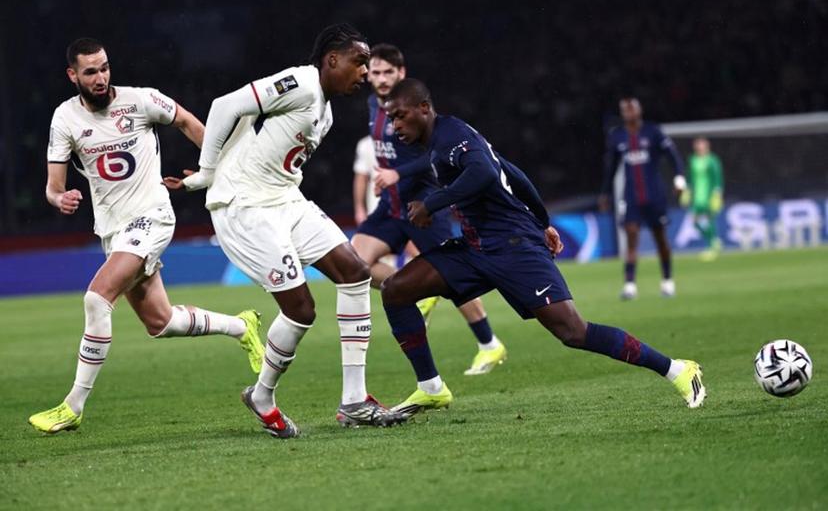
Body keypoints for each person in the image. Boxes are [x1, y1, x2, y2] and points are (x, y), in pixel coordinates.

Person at [379, 79, 705, 417]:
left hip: (513, 245)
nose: (395, 125)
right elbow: (511, 172)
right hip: (476, 247)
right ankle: (431, 388)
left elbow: (485, 173)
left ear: (424, 108)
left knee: (573, 332)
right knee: (396, 290)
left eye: (400, 116)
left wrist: (432, 203)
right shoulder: (441, 142)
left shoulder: (451, 136)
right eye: (391, 119)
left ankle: (677, 370)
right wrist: (543, 220)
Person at [165, 24, 405, 438]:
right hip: (246, 206)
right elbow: (226, 106)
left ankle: (354, 401)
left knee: (355, 272)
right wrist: (206, 172)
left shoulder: (326, 112)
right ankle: (262, 396)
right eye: (359, 62)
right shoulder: (302, 83)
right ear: (332, 59)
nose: (364, 72)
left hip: (285, 199)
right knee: (301, 310)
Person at [29, 38, 264, 434]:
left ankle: (73, 406)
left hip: (152, 217)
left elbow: (187, 121)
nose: (101, 77)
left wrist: (215, 168)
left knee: (96, 298)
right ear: (73, 75)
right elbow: (53, 186)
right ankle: (242, 327)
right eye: (90, 71)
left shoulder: (141, 100)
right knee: (161, 322)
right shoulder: (64, 118)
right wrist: (59, 198)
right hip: (114, 230)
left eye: (105, 68)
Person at [351, 44, 507, 376]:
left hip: (423, 204)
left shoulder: (413, 110)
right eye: (376, 72)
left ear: (401, 73)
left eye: (388, 72)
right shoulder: (372, 105)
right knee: (354, 263)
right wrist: (386, 177)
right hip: (391, 204)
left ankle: (489, 344)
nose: (381, 78)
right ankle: (417, 289)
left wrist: (397, 173)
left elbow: (434, 154)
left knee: (455, 280)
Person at [599, 97, 686, 300]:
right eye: (625, 109)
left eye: (632, 108)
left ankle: (667, 281)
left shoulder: (652, 132)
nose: (629, 112)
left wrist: (679, 179)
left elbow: (673, 157)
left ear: (639, 110)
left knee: (660, 239)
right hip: (631, 197)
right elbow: (611, 168)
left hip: (654, 195)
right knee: (631, 238)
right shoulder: (618, 136)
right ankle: (630, 285)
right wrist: (605, 193)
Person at [682, 137, 724, 261]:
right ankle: (714, 240)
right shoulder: (692, 160)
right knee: (696, 222)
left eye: (701, 144)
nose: (699, 147)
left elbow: (718, 178)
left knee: (709, 220)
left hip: (708, 196)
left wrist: (717, 194)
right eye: (697, 144)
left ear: (707, 146)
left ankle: (712, 246)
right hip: (697, 197)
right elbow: (689, 177)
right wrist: (687, 191)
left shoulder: (712, 160)